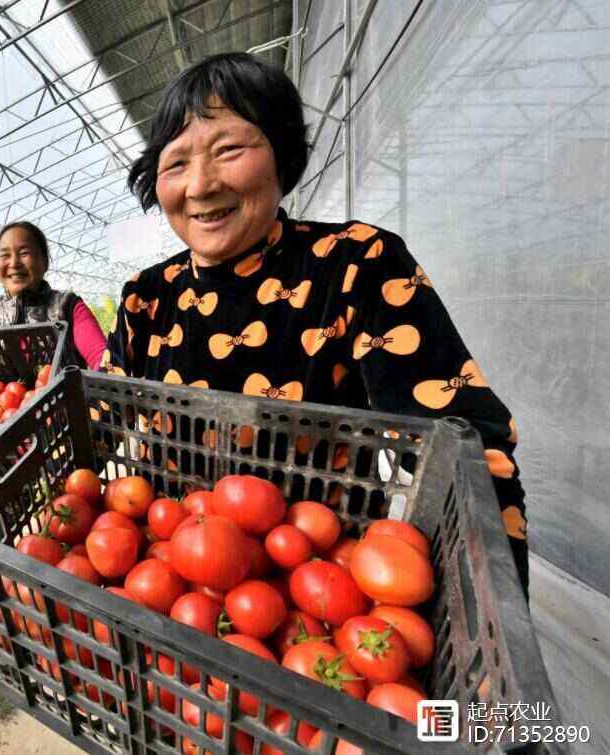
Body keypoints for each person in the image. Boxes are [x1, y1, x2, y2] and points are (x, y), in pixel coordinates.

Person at [103, 52, 530, 596]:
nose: (201, 185)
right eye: (176, 163)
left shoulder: (356, 265)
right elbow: (102, 411)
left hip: (325, 585)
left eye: (228, 149)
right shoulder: (147, 296)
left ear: (281, 154)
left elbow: (465, 445)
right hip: (165, 578)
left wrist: (493, 614)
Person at [0, 221, 108, 370]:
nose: (14, 263)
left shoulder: (68, 307)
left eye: (24, 253)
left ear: (45, 261)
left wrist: (104, 372)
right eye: (5, 255)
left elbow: (102, 359)